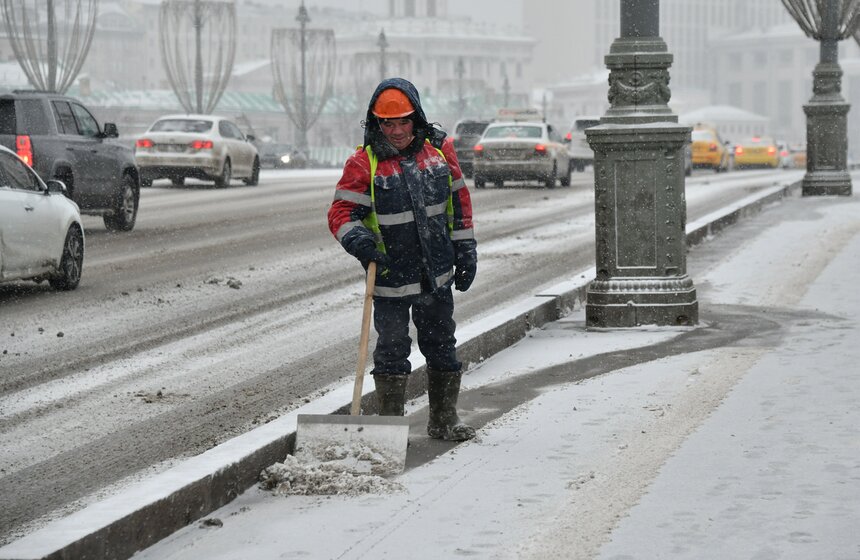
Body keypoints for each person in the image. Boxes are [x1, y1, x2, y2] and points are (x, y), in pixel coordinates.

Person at [327, 78, 477, 442]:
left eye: (403, 122)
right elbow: (341, 212)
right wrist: (359, 240)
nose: (396, 131)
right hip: (391, 275)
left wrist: (466, 249)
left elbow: (458, 206)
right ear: (375, 124)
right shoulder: (365, 163)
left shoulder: (440, 154)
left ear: (417, 118)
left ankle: (444, 418)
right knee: (392, 350)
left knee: (442, 344)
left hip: (436, 275)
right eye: (387, 124)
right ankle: (390, 429)